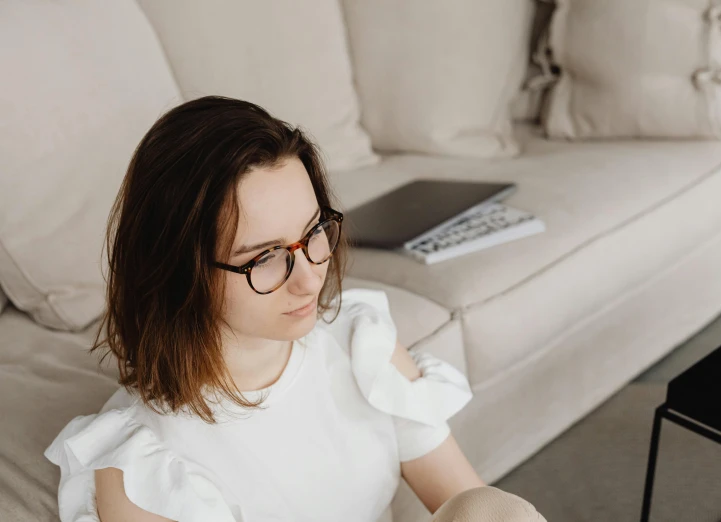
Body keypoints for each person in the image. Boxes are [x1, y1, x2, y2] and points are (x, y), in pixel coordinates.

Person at [43, 96, 545, 522]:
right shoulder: (144, 468)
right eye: (265, 258)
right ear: (181, 272)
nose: (309, 277)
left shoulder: (359, 345)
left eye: (313, 234)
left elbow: (466, 502)